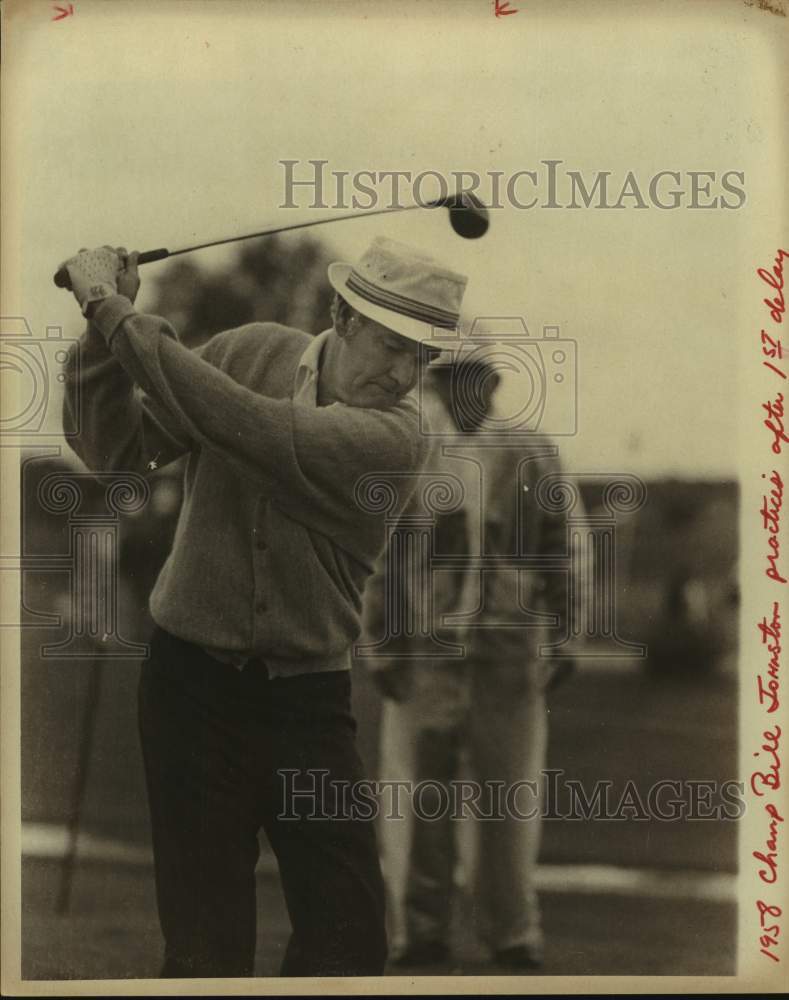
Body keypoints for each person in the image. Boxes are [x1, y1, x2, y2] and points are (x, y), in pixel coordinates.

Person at [59, 236, 469, 978]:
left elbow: (243, 424)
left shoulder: (396, 438)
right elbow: (119, 450)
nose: (404, 371)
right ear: (343, 317)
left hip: (305, 704)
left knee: (349, 941)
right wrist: (95, 339)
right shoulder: (250, 349)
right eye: (392, 344)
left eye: (422, 357)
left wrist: (109, 306)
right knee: (204, 946)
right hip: (188, 691)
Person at [363, 356, 579, 971]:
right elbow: (381, 554)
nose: (466, 392)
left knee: (509, 797)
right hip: (429, 649)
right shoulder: (409, 452)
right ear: (433, 383)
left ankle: (512, 933)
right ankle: (421, 933)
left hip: (507, 648)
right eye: (451, 379)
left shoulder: (530, 451)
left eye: (477, 379)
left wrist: (564, 635)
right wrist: (380, 642)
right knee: (419, 796)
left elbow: (558, 547)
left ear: (493, 383)